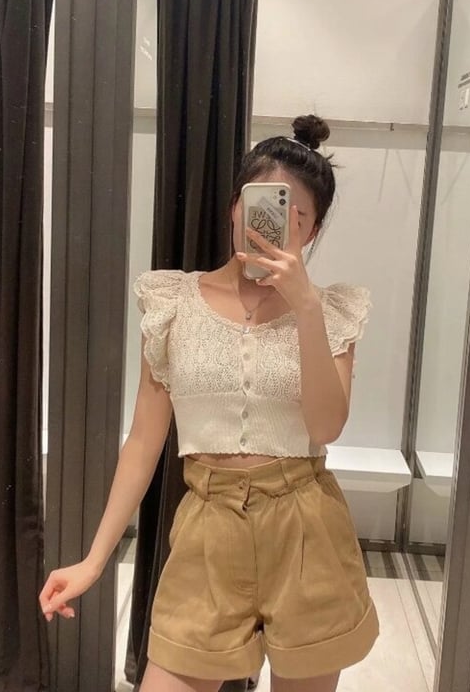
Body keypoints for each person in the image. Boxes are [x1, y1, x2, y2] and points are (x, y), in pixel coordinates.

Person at [39, 115, 379, 692]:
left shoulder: (332, 312)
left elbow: (325, 427)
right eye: (261, 206)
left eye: (295, 217)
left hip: (307, 531)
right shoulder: (174, 303)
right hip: (207, 528)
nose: (272, 225)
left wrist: (306, 309)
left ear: (313, 231)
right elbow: (143, 442)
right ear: (234, 208)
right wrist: (94, 560)